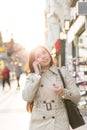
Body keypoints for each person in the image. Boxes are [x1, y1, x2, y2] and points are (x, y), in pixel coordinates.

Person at [22, 45, 81, 130]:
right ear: (34, 61)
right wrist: (37, 75)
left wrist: (63, 92)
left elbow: (77, 97)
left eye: (44, 53)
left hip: (59, 121)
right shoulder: (32, 77)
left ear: (49, 54)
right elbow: (27, 97)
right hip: (39, 123)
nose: (43, 57)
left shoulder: (63, 72)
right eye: (38, 56)